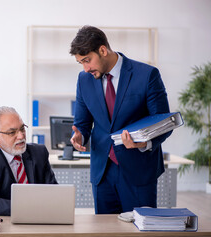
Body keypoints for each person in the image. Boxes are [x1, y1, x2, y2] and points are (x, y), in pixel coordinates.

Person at [69, 26, 172, 214]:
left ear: (102, 50)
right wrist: (79, 137)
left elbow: (163, 123)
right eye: (81, 63)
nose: (86, 68)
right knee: (105, 232)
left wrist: (143, 143)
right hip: (102, 173)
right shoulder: (84, 80)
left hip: (138, 170)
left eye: (87, 60)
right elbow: (82, 123)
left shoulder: (147, 75)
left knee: (139, 230)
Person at [0, 106, 58, 216]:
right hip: (8, 224)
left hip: (41, 221)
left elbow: (54, 193)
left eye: (22, 129)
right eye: (12, 132)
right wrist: (31, 208)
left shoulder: (39, 153)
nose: (21, 136)